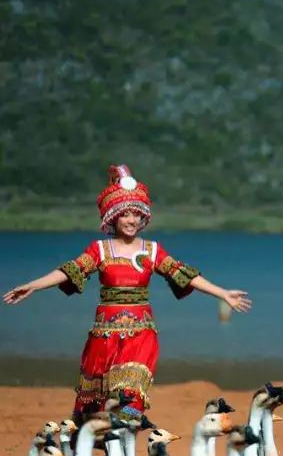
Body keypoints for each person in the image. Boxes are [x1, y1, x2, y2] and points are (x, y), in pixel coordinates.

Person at [3, 164, 251, 417]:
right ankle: (98, 448)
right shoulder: (100, 250)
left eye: (136, 214)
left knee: (130, 398)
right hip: (104, 336)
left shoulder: (152, 250)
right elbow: (69, 271)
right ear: (113, 217)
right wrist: (33, 285)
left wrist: (223, 293)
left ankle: (125, 449)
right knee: (96, 404)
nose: (131, 220)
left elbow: (184, 275)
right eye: (125, 214)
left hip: (141, 335)